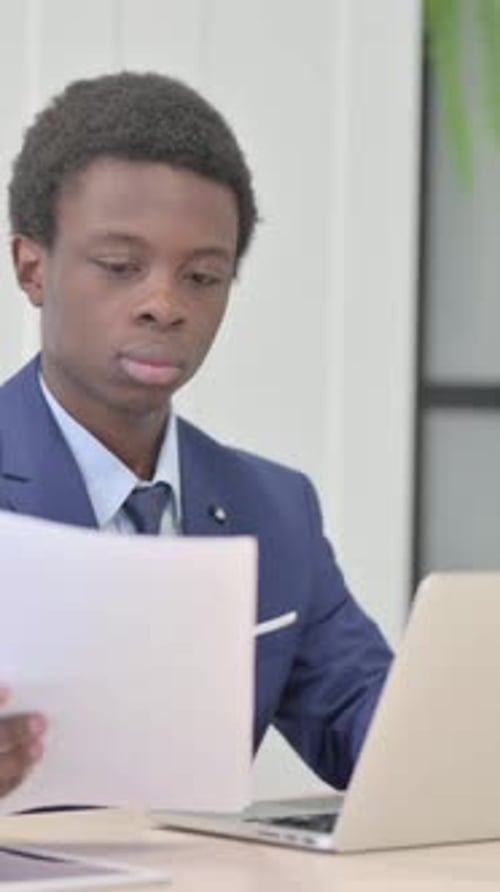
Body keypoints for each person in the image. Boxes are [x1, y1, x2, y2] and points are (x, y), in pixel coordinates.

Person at [0, 71, 392, 802]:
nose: (165, 304)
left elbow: (373, 729)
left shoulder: (276, 511)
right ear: (32, 268)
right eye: (121, 267)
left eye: (203, 277)